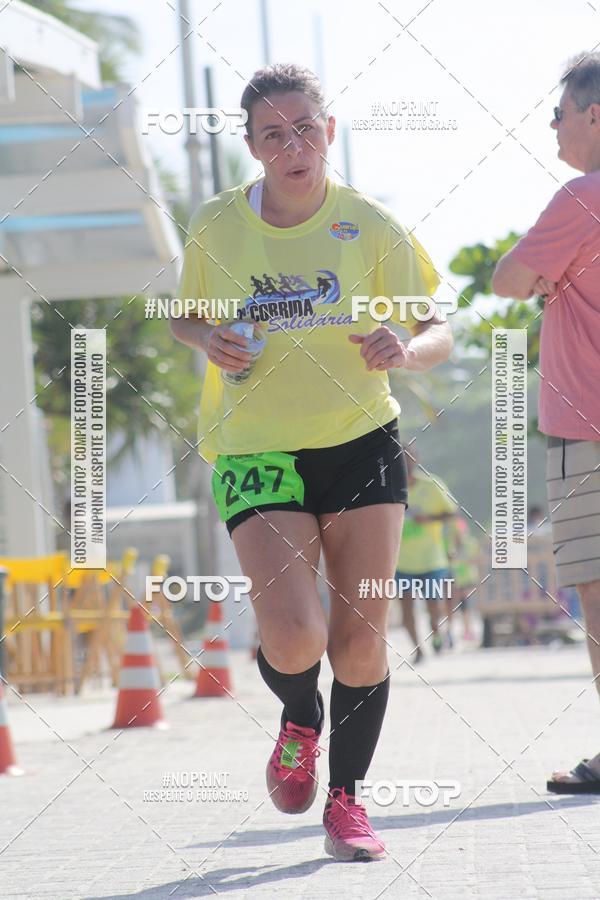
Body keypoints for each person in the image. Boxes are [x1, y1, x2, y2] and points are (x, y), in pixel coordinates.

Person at [171, 62, 453, 860]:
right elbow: (184, 319)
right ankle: (300, 719)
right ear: (253, 147)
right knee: (295, 639)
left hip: (360, 438)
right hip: (254, 442)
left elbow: (438, 331)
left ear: (329, 132)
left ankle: (347, 802)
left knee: (361, 642)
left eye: (304, 127)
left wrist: (409, 347)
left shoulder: (369, 224)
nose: (291, 144)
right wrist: (206, 337)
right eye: (272, 133)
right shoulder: (218, 224)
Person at [492, 52, 600, 793]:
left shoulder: (582, 197)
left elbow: (507, 281)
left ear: (595, 116)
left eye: (558, 111)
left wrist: (546, 278)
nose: (551, 124)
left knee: (597, 590)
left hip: (587, 427)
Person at [394, 452, 458, 658]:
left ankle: (436, 633)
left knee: (434, 608)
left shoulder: (432, 485)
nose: (405, 463)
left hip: (431, 560)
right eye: (400, 459)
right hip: (400, 562)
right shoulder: (388, 487)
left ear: (416, 460)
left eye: (408, 458)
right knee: (406, 611)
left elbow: (452, 513)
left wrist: (429, 518)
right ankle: (418, 650)